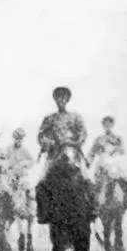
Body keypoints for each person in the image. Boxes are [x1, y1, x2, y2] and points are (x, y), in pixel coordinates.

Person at [36, 86, 94, 224]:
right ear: (55, 100)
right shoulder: (49, 119)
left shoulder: (75, 117)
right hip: (54, 154)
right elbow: (41, 135)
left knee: (87, 179)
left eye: (63, 98)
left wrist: (74, 142)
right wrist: (49, 142)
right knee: (41, 182)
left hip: (73, 152)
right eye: (58, 98)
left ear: (67, 100)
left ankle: (92, 209)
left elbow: (83, 133)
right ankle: (42, 213)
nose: (60, 100)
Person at [88, 116, 127, 207]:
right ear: (103, 125)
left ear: (112, 125)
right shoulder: (99, 139)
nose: (107, 125)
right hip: (102, 162)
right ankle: (94, 203)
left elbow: (122, 151)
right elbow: (92, 152)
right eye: (105, 123)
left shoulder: (117, 138)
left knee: (124, 180)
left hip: (113, 162)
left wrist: (116, 149)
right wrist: (88, 162)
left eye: (109, 123)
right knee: (98, 183)